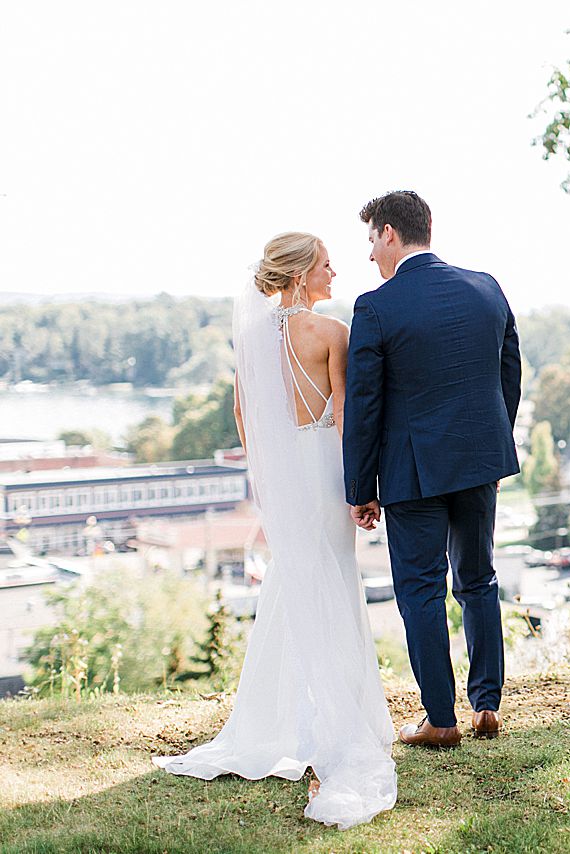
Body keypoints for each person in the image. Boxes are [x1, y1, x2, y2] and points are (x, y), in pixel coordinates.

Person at [153, 232, 397, 830]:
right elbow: (345, 418)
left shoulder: (252, 339)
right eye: (324, 265)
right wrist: (359, 491)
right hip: (324, 471)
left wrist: (276, 474)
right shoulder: (332, 333)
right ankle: (335, 729)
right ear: (296, 276)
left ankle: (280, 725)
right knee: (333, 588)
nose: (335, 272)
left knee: (291, 586)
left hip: (286, 480)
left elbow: (245, 418)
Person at [343, 190, 521, 748]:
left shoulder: (375, 306)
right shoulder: (486, 287)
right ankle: (487, 704)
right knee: (479, 578)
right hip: (478, 463)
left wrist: (360, 487)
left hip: (412, 472)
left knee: (420, 590)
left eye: (372, 239)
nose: (370, 253)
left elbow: (364, 405)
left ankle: (440, 720)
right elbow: (508, 374)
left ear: (390, 233)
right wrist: (493, 445)